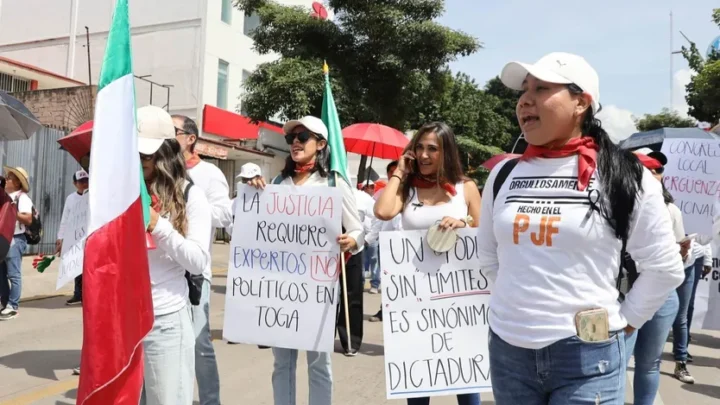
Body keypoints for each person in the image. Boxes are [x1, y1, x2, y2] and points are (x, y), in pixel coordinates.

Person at [476, 52, 685, 404]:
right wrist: (522, 308)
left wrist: (624, 323)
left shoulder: (626, 175)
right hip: (508, 352)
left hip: (590, 356)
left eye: (542, 88)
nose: (525, 100)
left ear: (581, 103)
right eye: (524, 90)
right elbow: (489, 257)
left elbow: (664, 267)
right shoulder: (504, 175)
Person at [247, 115, 363, 405]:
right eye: (291, 138)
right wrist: (252, 191)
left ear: (321, 144)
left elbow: (360, 230)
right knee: (282, 363)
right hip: (282, 290)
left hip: (318, 290)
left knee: (318, 364)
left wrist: (352, 240)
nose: (295, 143)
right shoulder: (277, 181)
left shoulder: (334, 183)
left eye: (303, 137)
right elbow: (258, 229)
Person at [374, 122, 482, 405]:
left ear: (446, 152)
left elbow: (486, 237)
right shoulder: (407, 188)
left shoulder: (465, 188)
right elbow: (383, 211)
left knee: (466, 377)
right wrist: (399, 171)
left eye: (432, 149)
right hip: (415, 297)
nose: (423, 155)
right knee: (418, 379)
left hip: (457, 299)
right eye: (418, 148)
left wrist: (464, 222)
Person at [139, 106, 212, 405]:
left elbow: (197, 261)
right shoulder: (121, 192)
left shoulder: (190, 195)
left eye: (145, 155)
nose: (138, 162)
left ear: (165, 153)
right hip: (122, 320)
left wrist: (159, 226)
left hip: (164, 321)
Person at [172, 114, 232, 405]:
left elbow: (224, 214)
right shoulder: (157, 171)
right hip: (162, 272)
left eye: (173, 131)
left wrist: (191, 200)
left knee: (198, 343)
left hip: (195, 272)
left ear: (190, 138)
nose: (167, 136)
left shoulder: (209, 173)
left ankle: (210, 400)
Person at [624, 150, 687, 404]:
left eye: (657, 170)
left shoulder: (671, 210)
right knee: (614, 364)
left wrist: (680, 252)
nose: (652, 173)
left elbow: (677, 259)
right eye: (645, 168)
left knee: (649, 363)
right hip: (622, 295)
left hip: (661, 298)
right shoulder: (609, 206)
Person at [368, 160, 402, 322]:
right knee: (388, 279)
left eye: (398, 171)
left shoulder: (413, 191)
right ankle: (384, 310)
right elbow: (376, 221)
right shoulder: (380, 195)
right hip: (387, 244)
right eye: (391, 172)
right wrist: (368, 239)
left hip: (407, 244)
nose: (394, 174)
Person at [0, 166, 33, 321]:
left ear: (18, 183)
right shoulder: (3, 195)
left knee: (13, 274)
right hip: (3, 238)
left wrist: (13, 211)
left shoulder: (22, 197)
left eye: (10, 177)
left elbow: (28, 219)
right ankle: (5, 303)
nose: (6, 179)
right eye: (7, 176)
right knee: (1, 274)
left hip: (16, 238)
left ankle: (13, 306)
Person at [57, 169, 90, 306]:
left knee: (88, 267)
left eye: (86, 181)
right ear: (74, 183)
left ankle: (89, 294)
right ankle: (78, 294)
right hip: (75, 238)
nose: (84, 184)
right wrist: (61, 237)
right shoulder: (71, 199)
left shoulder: (94, 196)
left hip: (89, 237)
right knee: (76, 266)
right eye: (80, 181)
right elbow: (65, 219)